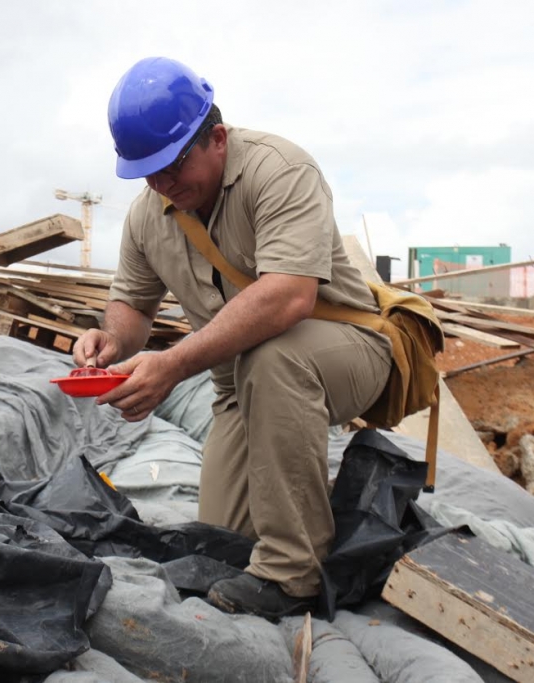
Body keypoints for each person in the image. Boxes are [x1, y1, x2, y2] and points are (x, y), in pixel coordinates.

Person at [73, 56, 394, 620]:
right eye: (147, 173)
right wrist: (109, 342)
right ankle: (272, 552)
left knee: (275, 358)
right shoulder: (148, 215)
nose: (161, 185)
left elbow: (288, 297)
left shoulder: (281, 169)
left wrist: (170, 365)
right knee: (218, 544)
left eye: (172, 168)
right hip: (240, 383)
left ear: (216, 138)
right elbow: (132, 306)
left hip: (347, 350)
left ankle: (293, 574)